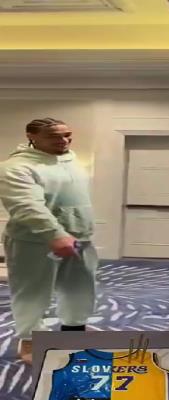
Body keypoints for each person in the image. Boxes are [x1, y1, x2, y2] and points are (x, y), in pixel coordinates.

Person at [0, 118, 98, 364]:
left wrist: (77, 232)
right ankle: (31, 340)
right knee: (32, 292)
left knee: (79, 288)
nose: (64, 140)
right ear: (31, 136)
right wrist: (55, 234)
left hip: (79, 237)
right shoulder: (16, 167)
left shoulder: (71, 161)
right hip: (34, 241)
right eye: (54, 136)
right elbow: (26, 206)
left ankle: (74, 330)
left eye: (67, 134)